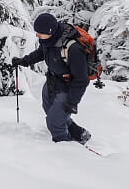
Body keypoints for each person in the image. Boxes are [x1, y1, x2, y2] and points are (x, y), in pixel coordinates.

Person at [11, 13, 92, 144]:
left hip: (68, 87)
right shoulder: (48, 40)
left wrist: (72, 102)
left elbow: (82, 80)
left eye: (40, 32)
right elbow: (40, 53)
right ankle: (80, 134)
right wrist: (24, 61)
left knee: (54, 121)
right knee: (49, 108)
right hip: (53, 81)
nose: (37, 35)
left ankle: (64, 147)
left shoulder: (73, 49)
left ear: (50, 31)